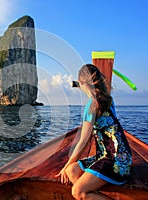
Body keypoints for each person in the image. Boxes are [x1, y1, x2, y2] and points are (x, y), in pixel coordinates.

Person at [55, 64, 132, 200]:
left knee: (77, 191)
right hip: (115, 155)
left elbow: (83, 142)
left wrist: (65, 164)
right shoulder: (108, 99)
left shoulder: (91, 106)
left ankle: (85, 193)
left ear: (83, 83)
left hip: (116, 161)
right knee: (71, 171)